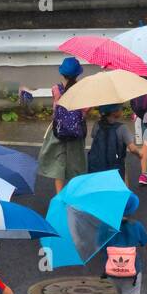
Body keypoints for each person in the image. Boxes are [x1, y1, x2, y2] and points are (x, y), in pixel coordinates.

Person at [37, 57, 87, 193]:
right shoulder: (80, 89)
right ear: (78, 74)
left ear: (62, 73)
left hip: (59, 131)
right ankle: (72, 192)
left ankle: (60, 195)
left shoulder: (56, 89)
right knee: (75, 162)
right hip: (76, 132)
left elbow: (56, 108)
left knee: (59, 161)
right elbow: (84, 110)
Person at [87, 104, 143, 179]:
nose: (122, 109)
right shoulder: (122, 128)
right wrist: (139, 154)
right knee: (122, 170)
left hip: (98, 165)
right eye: (120, 108)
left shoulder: (97, 124)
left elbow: (93, 135)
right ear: (114, 112)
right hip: (115, 167)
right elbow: (132, 148)